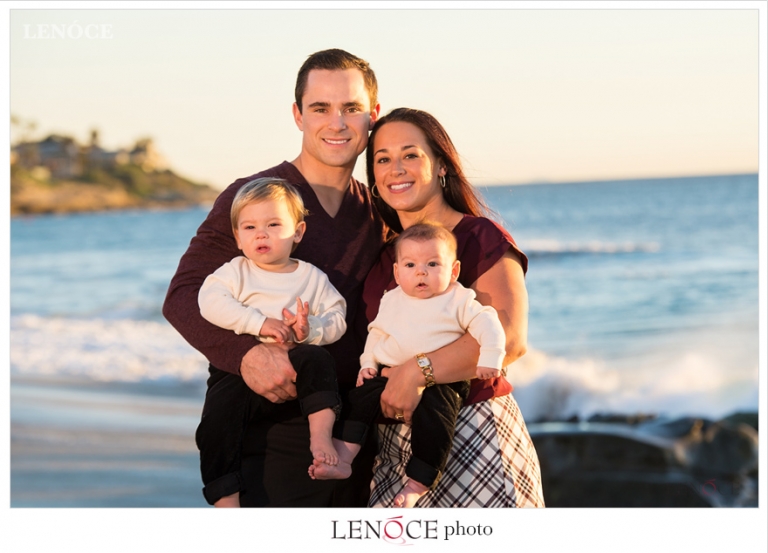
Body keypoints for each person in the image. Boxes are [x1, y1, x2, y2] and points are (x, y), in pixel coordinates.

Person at [163, 49, 387, 507]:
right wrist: (247, 356)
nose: (337, 123)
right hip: (267, 429)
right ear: (297, 115)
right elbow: (183, 297)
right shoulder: (254, 198)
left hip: (348, 434)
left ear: (373, 115)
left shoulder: (379, 212)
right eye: (320, 108)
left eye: (351, 108)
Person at [359, 107, 546, 508]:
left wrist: (417, 372)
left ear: (441, 164)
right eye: (383, 159)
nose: (396, 168)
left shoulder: (479, 237)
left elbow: (510, 340)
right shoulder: (381, 259)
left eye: (411, 154)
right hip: (395, 448)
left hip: (474, 432)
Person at [309, 222, 507, 508]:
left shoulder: (458, 298)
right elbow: (377, 333)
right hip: (390, 374)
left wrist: (491, 357)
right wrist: (369, 363)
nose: (421, 272)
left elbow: (488, 323)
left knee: (436, 421)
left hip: (442, 380)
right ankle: (344, 457)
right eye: (411, 264)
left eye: (433, 264)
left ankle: (418, 481)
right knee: (358, 399)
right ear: (397, 272)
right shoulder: (392, 299)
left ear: (454, 271)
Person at [196, 177, 347, 507]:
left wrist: (311, 330)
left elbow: (338, 317)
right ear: (237, 237)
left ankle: (321, 438)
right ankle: (225, 496)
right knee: (215, 423)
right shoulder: (236, 272)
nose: (260, 234)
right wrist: (258, 322)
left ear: (298, 232)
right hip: (238, 371)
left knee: (319, 361)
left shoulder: (311, 277)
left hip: (296, 366)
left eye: (273, 224)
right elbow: (209, 302)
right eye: (249, 227)